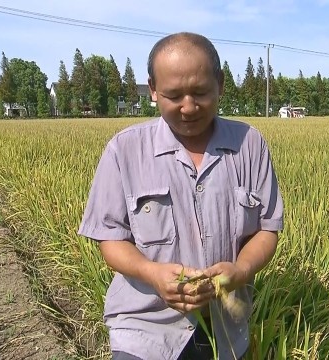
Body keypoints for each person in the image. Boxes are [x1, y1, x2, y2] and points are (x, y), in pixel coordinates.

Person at [77, 32, 284, 360]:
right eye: (174, 95)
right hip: (146, 326)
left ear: (221, 84)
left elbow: (267, 229)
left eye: (200, 92)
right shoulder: (124, 150)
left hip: (228, 328)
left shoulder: (250, 145)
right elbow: (110, 238)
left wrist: (241, 271)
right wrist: (153, 274)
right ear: (154, 90)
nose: (189, 107)